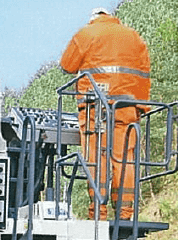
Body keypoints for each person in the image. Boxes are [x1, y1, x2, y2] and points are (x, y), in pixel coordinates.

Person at [60, 6, 151, 221]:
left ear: (94, 19)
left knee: (96, 157)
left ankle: (98, 213)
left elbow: (66, 66)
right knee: (125, 158)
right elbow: (144, 70)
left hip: (95, 104)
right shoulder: (133, 36)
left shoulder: (86, 33)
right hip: (128, 105)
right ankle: (125, 213)